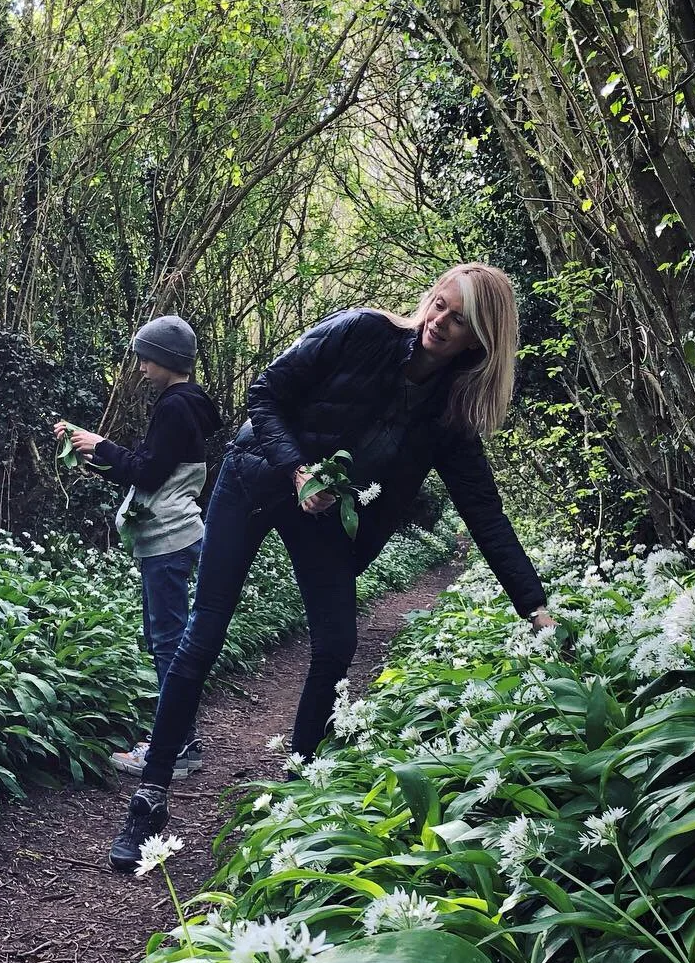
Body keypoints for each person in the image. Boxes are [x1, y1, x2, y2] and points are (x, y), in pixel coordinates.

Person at [109, 262, 555, 871]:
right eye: (440, 304)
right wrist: (297, 468)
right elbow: (264, 395)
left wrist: (536, 607)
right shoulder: (362, 332)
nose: (441, 322)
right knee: (203, 633)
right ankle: (150, 796)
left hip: (320, 513)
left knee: (337, 646)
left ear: (482, 339)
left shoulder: (448, 417)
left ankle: (299, 800)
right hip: (257, 476)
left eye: (461, 319)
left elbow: (486, 515)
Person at [55, 315, 222, 780]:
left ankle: (177, 747)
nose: (141, 366)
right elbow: (151, 471)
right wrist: (91, 453)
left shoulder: (174, 406)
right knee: (166, 639)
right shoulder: (188, 404)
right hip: (171, 534)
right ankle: (178, 740)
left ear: (167, 360)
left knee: (168, 642)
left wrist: (101, 444)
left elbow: (147, 473)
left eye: (146, 358)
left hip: (167, 538)